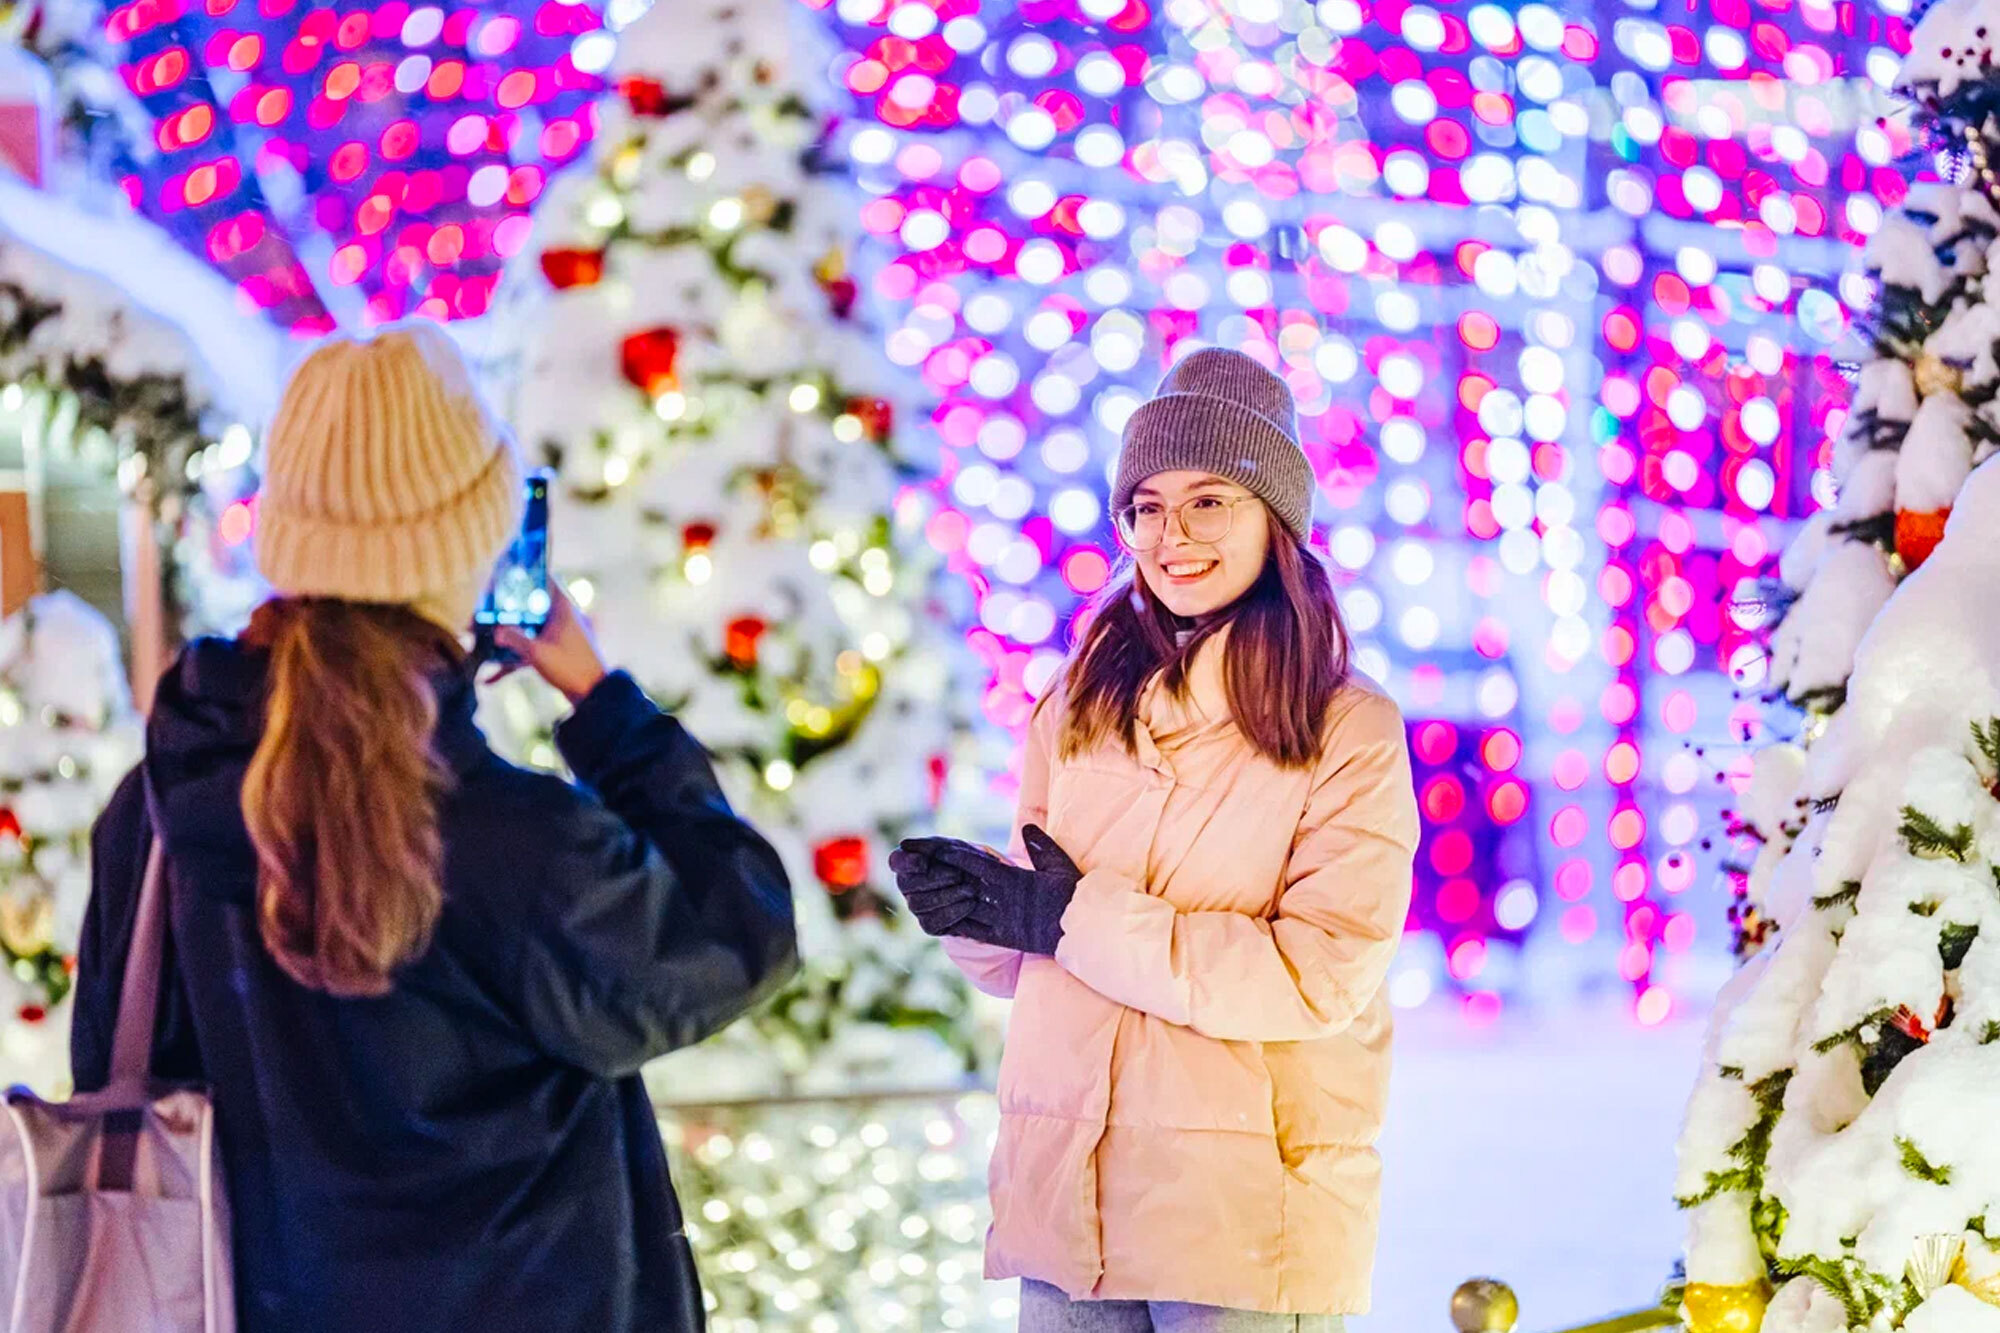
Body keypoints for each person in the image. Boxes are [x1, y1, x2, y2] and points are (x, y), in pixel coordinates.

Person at [69, 324, 798, 1333]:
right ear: (469, 543)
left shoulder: (154, 810)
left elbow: (111, 1066)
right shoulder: (509, 840)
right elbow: (735, 934)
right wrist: (605, 710)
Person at [891, 348, 1420, 1332]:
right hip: (1064, 1207)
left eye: (1208, 500)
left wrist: (1065, 916)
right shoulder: (1074, 704)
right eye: (1144, 505)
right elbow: (1046, 950)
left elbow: (1317, 974)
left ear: (1277, 517)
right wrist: (984, 913)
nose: (1169, 535)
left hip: (1237, 1226)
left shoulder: (1344, 726)